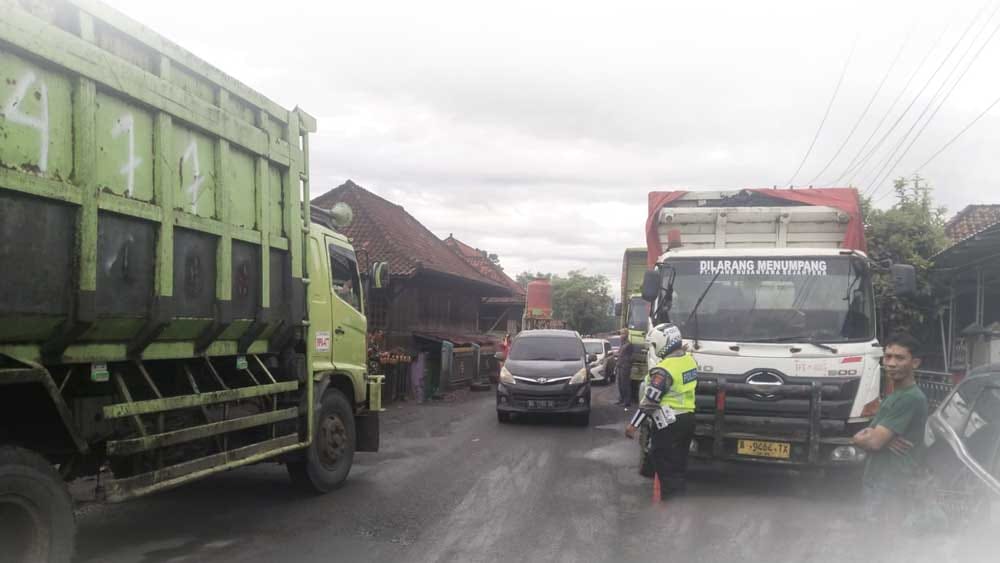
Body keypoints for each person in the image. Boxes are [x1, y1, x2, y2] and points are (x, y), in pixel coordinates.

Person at [851, 333, 929, 524]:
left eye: (900, 358)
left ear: (915, 363)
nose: (891, 363)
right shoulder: (895, 394)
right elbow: (875, 436)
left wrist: (860, 438)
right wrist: (879, 437)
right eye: (888, 357)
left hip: (892, 484)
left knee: (885, 544)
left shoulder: (909, 398)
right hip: (880, 480)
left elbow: (874, 441)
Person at [625, 323, 698, 497]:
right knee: (678, 465)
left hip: (669, 425)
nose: (654, 348)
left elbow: (650, 402)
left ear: (664, 343)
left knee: (664, 465)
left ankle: (670, 509)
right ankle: (678, 502)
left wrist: (633, 425)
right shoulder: (689, 360)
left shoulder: (664, 370)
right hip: (688, 419)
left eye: (655, 344)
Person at [615, 328, 635, 407]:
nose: (621, 336)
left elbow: (631, 357)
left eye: (622, 334)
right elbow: (619, 354)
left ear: (626, 335)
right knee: (619, 383)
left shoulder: (629, 344)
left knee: (625, 384)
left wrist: (627, 363)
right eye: (620, 334)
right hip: (620, 365)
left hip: (625, 367)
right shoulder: (622, 344)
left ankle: (627, 401)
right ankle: (621, 399)